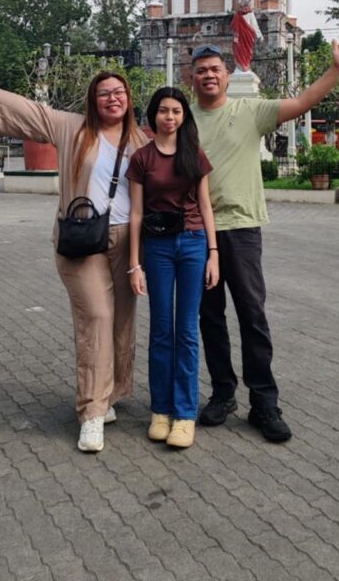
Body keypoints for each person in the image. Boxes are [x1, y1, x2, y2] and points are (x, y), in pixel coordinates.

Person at [0, 69, 147, 454]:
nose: (112, 98)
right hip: (81, 239)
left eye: (119, 92)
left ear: (128, 98)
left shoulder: (141, 140)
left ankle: (108, 396)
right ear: (93, 99)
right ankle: (91, 412)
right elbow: (30, 111)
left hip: (127, 243)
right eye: (104, 93)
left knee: (121, 320)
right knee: (98, 318)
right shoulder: (73, 128)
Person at [189, 30, 339, 442]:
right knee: (209, 318)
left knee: (252, 316)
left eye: (215, 69)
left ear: (227, 74)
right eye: (201, 71)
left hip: (243, 229)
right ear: (191, 78)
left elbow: (303, 102)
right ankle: (222, 393)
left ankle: (264, 403)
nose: (209, 76)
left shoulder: (251, 110)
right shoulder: (183, 119)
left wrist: (336, 69)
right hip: (198, 232)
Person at [126, 87, 219, 449]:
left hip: (194, 244)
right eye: (164, 111)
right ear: (154, 116)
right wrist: (135, 264)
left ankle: (184, 414)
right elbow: (135, 213)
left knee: (187, 332)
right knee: (162, 330)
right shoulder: (142, 158)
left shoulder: (194, 155)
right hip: (158, 248)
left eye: (176, 111)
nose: (170, 117)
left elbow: (207, 207)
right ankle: (161, 410)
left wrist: (214, 252)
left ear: (184, 117)